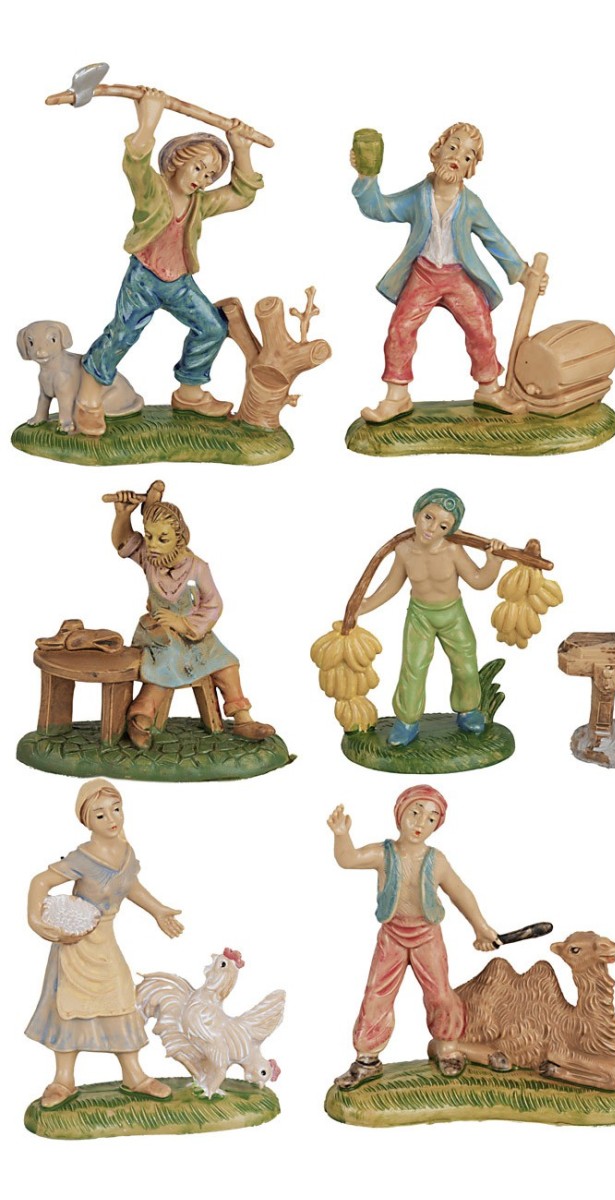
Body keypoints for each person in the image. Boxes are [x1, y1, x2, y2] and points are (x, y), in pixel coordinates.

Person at [76, 87, 263, 434]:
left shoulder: (200, 203)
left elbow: (241, 195)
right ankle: (88, 399)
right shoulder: (153, 192)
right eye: (198, 167)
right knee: (122, 333)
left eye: (209, 175)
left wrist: (241, 149)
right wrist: (149, 119)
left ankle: (190, 392)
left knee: (212, 327)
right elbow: (135, 163)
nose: (202, 179)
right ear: (177, 161)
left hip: (178, 283)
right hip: (144, 280)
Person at [351, 122, 547, 422]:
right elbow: (382, 208)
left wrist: (523, 273)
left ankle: (489, 388)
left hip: (458, 276)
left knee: (480, 328)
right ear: (437, 150)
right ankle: (397, 396)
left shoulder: (471, 204)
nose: (457, 157)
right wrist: (367, 177)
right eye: (453, 147)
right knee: (401, 329)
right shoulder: (418, 196)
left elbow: (494, 238)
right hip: (424, 274)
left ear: (471, 168)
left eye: (467, 156)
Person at [26, 779, 184, 1108]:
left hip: (105, 940)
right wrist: (36, 921)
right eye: (100, 815)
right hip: (77, 942)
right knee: (69, 1007)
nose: (112, 819)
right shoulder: (83, 858)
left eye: (116, 809)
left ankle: (134, 1075)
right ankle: (63, 1080)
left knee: (121, 998)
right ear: (87, 821)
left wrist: (157, 910)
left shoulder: (126, 852)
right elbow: (41, 881)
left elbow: (129, 885)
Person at [328, 786, 499, 1087]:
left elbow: (460, 892)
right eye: (415, 813)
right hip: (392, 936)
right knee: (377, 994)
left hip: (427, 936)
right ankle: (367, 1058)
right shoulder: (384, 854)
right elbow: (349, 859)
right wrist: (342, 835)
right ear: (399, 814)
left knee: (439, 993)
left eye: (431, 818)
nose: (421, 823)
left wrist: (480, 926)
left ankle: (448, 1046)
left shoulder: (436, 860)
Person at [108, 488, 275, 748]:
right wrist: (122, 516)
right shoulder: (150, 559)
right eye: (149, 536)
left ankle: (243, 718)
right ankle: (141, 717)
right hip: (160, 634)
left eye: (162, 538)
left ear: (179, 537)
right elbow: (124, 544)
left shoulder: (197, 568)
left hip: (194, 633)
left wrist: (184, 624)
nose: (153, 544)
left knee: (227, 664)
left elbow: (213, 604)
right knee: (167, 663)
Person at [357, 488, 505, 746]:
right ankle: (407, 721)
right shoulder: (404, 550)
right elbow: (393, 584)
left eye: (443, 525)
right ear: (417, 513)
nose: (432, 528)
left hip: (452, 615)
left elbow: (478, 580)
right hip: (420, 616)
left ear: (450, 530)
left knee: (465, 663)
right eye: (428, 517)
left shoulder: (453, 550)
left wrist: (494, 562)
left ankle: (468, 709)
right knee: (413, 667)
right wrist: (366, 605)